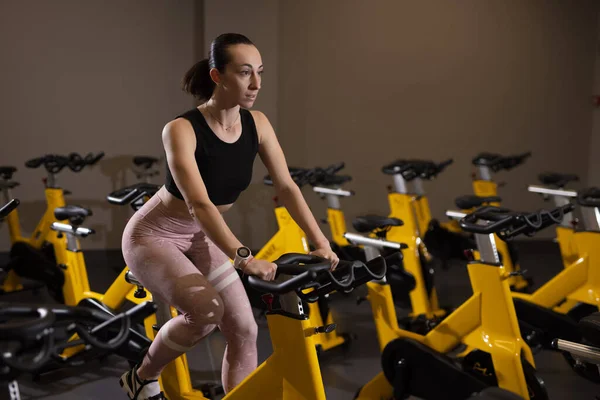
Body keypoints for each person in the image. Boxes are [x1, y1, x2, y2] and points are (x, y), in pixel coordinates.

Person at [119, 32, 339, 400]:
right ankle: (142, 376)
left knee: (244, 328)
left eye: (259, 72)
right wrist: (244, 258)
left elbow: (286, 187)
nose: (256, 83)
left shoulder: (258, 124)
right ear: (217, 76)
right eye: (244, 72)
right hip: (153, 236)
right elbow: (199, 205)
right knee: (206, 314)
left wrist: (320, 242)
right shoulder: (182, 129)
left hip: (200, 236)